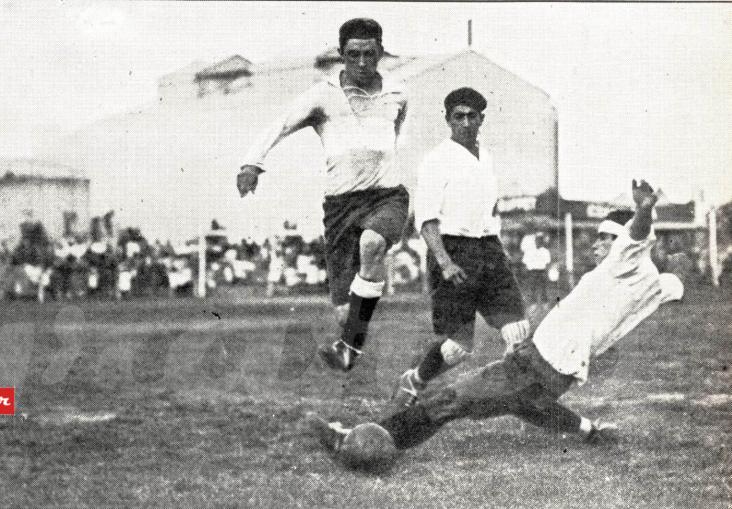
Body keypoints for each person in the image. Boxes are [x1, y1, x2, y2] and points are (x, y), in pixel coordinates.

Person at [309, 180, 684, 471]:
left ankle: (365, 440)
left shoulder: (627, 261)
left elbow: (636, 236)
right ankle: (589, 430)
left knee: (449, 401)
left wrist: (644, 210)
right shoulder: (635, 275)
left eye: (606, 238)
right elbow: (665, 283)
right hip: (546, 363)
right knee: (525, 403)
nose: (598, 245)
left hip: (542, 365)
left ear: (623, 244)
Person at [237, 18, 409, 372]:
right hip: (341, 206)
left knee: (372, 245)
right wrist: (251, 163)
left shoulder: (398, 94)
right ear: (342, 55)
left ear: (380, 52)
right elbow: (281, 123)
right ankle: (350, 347)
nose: (362, 62)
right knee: (345, 310)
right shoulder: (322, 95)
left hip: (386, 196)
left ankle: (350, 345)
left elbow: (397, 133)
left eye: (370, 54)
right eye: (354, 54)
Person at [394, 88, 532, 406]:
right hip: (453, 250)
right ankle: (415, 380)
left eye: (472, 116)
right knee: (458, 347)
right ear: (448, 119)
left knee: (517, 326)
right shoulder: (436, 160)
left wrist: (495, 244)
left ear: (482, 119)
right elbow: (426, 219)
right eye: (459, 116)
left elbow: (488, 209)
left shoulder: (487, 157)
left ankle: (517, 392)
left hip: (488, 247)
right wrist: (444, 261)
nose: (466, 123)